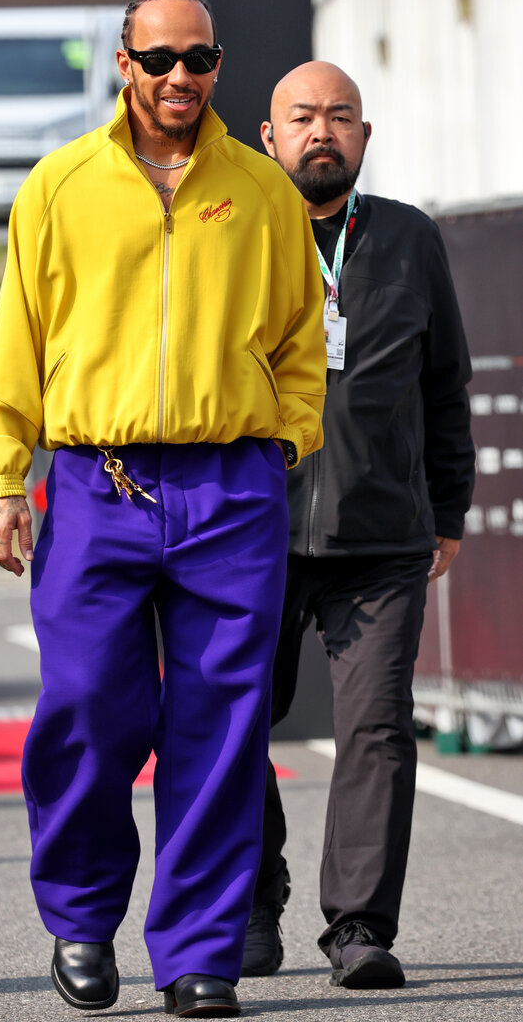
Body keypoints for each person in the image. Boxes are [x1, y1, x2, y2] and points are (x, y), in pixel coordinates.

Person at [0, 0, 326, 1018]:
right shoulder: (60, 185)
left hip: (230, 487)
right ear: (123, 62)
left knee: (220, 727)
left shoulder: (261, 192)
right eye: (159, 59)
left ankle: (199, 953)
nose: (179, 78)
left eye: (197, 60)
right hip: (95, 483)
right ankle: (81, 919)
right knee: (85, 706)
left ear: (217, 67)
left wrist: (285, 438)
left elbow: (301, 341)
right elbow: (17, 343)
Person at [240, 61, 475, 989]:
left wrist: (446, 509)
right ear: (269, 137)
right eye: (301, 117)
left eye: (339, 117)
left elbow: (444, 384)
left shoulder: (409, 238)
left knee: (376, 731)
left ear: (363, 137)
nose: (320, 131)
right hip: (247, 533)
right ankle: (252, 900)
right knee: (227, 725)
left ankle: (358, 928)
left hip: (381, 537)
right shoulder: (233, 233)